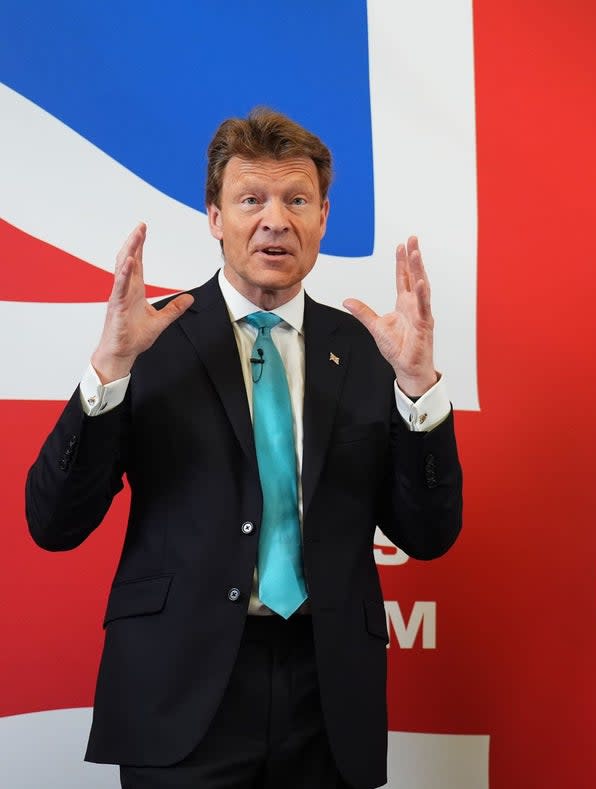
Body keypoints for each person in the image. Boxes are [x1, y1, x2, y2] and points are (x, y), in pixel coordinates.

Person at [25, 108, 463, 788]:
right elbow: (54, 522)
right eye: (251, 199)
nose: (275, 220)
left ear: (322, 216)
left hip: (327, 698)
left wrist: (418, 389)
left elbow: (429, 534)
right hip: (180, 690)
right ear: (213, 215)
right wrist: (109, 370)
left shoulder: (372, 352)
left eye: (296, 200)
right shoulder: (151, 340)